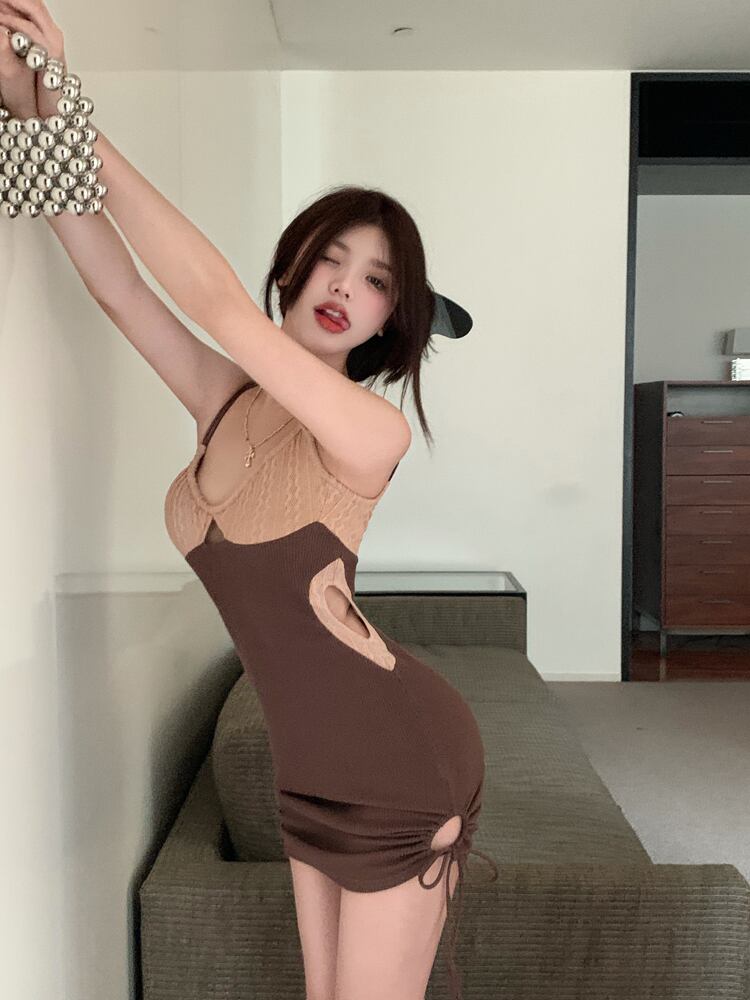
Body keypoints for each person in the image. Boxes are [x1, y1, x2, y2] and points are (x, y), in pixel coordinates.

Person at [0, 4, 498, 998]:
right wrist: (29, 110)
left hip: (404, 759)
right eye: (329, 258)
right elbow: (119, 287)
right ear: (294, 263)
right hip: (307, 769)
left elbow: (219, 303)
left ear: (389, 319)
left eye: (376, 281)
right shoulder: (224, 399)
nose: (343, 286)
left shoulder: (370, 432)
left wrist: (71, 98)